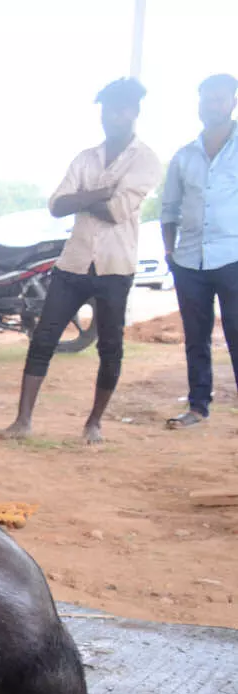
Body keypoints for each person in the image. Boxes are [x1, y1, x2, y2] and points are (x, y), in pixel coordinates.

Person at [0, 78, 162, 445]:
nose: (110, 117)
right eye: (106, 110)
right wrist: (98, 193)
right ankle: (22, 421)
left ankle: (93, 423)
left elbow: (117, 211)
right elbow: (56, 205)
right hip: (74, 263)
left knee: (110, 347)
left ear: (133, 112)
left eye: (118, 110)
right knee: (43, 338)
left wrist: (82, 198)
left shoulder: (146, 160)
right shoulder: (86, 158)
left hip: (115, 267)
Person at [160, 72, 238, 430]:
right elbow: (169, 209)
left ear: (233, 102)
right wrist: (170, 254)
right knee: (195, 337)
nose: (212, 105)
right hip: (189, 261)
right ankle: (197, 406)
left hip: (233, 257)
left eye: (220, 99)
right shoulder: (184, 156)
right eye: (207, 99)